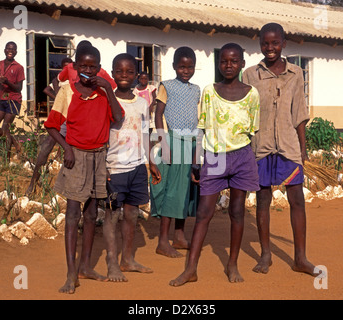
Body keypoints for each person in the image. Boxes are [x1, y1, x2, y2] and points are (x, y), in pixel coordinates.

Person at [170, 43, 260, 286]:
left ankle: (232, 264)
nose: (228, 65)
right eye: (223, 61)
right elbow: (202, 127)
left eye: (233, 61)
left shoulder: (252, 94)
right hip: (215, 156)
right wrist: (196, 161)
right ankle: (191, 269)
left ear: (242, 63)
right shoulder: (210, 91)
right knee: (203, 213)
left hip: (242, 156)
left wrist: (242, 156)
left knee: (237, 211)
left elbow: (251, 131)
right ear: (218, 64)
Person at [44, 45, 124, 294]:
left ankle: (85, 267)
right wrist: (66, 148)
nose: (88, 70)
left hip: (99, 157)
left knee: (91, 215)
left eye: (93, 66)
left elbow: (118, 118)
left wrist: (108, 88)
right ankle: (71, 274)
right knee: (72, 215)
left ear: (99, 69)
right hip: (76, 157)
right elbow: (52, 125)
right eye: (84, 66)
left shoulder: (103, 92)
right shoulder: (67, 91)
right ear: (75, 68)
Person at [242, 22, 318, 276]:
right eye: (265, 43)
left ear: (284, 43)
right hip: (261, 147)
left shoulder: (296, 74)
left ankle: (300, 258)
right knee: (263, 200)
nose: (270, 47)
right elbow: (245, 112)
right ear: (260, 44)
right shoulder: (251, 74)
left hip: (288, 147)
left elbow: (299, 113)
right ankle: (265, 255)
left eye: (275, 43)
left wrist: (303, 149)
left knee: (297, 200)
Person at [104, 53, 153, 282]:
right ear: (113, 73)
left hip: (137, 168)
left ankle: (128, 259)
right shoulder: (106, 100)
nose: (124, 75)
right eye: (120, 71)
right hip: (114, 169)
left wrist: (150, 161)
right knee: (112, 215)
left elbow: (145, 132)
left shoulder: (143, 103)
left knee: (132, 214)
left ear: (137, 75)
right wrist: (102, 166)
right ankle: (112, 262)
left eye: (129, 71)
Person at [149, 46, 200, 258]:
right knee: (171, 192)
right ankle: (162, 241)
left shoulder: (196, 89)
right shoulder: (166, 86)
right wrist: (164, 142)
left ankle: (179, 236)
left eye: (189, 67)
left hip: (191, 142)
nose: (185, 71)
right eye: (181, 67)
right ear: (174, 67)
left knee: (186, 192)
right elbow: (159, 115)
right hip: (172, 142)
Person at [25, 57, 72, 196]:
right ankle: (33, 183)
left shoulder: (79, 79)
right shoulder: (59, 80)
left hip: (75, 119)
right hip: (60, 116)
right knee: (47, 146)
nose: (67, 69)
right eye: (65, 67)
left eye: (69, 67)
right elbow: (47, 90)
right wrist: (57, 92)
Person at [0, 41, 25, 158]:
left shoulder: (19, 67)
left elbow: (19, 88)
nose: (10, 51)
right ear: (4, 50)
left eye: (13, 49)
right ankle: (14, 142)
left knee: (5, 127)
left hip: (14, 100)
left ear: (16, 52)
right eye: (8, 49)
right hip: (2, 99)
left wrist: (7, 82)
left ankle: (6, 158)